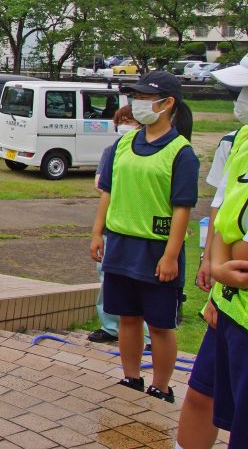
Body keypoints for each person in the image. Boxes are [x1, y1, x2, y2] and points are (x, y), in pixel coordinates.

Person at [90, 71, 199, 404]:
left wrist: (170, 255)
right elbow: (108, 191)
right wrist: (98, 232)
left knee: (161, 324)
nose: (137, 104)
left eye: (144, 97)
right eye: (135, 97)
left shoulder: (181, 152)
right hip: (121, 243)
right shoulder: (124, 143)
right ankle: (131, 376)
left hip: (155, 249)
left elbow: (182, 208)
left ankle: (162, 386)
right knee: (127, 317)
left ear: (167, 104)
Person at [182, 58, 248, 448]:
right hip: (231, 308)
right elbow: (226, 212)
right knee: (202, 395)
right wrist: (216, 272)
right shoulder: (242, 140)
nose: (241, 101)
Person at [87, 105, 145, 345]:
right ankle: (110, 327)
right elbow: (102, 186)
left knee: (144, 283)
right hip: (114, 226)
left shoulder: (158, 151)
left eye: (130, 120)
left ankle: (149, 335)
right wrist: (97, 233)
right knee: (109, 278)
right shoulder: (113, 150)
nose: (125, 125)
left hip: (143, 231)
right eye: (122, 121)